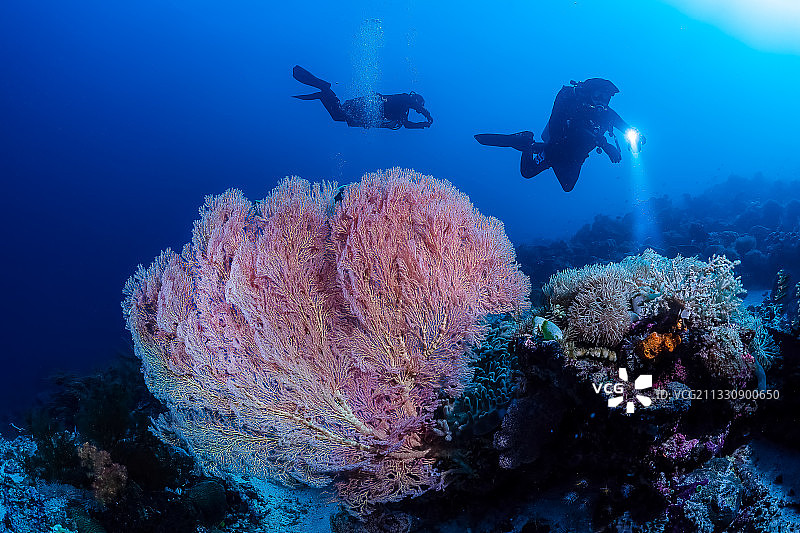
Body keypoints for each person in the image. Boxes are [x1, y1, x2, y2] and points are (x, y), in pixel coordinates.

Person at [475, 78, 644, 192]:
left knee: (568, 186)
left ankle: (533, 146)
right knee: (527, 172)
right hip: (556, 149)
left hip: (575, 157)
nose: (602, 101)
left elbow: (623, 125)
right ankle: (527, 141)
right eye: (598, 95)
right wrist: (605, 145)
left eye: (606, 98)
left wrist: (636, 135)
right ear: (589, 94)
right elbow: (578, 128)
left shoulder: (606, 113)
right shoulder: (575, 108)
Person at [292, 65, 433, 130]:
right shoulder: (405, 98)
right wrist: (428, 115)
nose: (418, 109)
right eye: (419, 105)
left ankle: (324, 94)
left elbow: (407, 125)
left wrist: (423, 125)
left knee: (337, 116)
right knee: (340, 112)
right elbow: (415, 105)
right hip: (368, 106)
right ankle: (325, 89)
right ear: (416, 100)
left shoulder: (404, 111)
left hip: (367, 115)